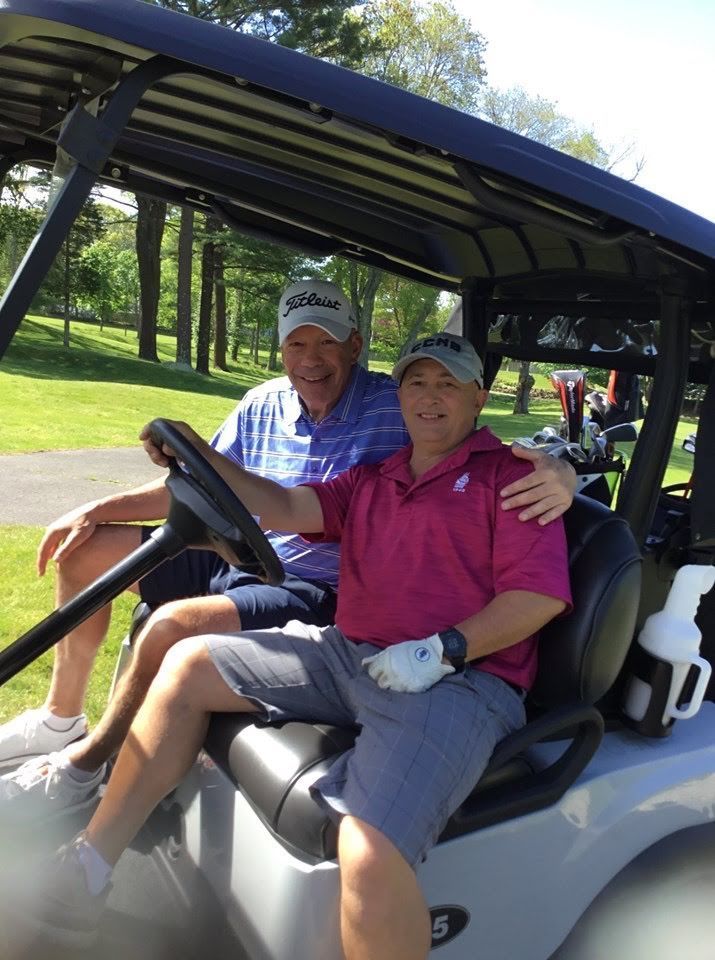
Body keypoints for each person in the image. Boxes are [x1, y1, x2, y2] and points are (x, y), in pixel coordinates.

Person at [13, 333, 572, 958]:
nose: (430, 397)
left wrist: (438, 650)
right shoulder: (373, 478)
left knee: (367, 846)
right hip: (349, 654)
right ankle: (87, 868)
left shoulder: (515, 479)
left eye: (448, 383)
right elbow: (280, 504)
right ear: (401, 393)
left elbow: (538, 598)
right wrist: (196, 451)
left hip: (459, 678)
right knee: (189, 661)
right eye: (417, 382)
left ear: (479, 396)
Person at [0, 280, 576, 817]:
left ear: (355, 345)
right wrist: (95, 508)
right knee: (90, 550)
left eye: (327, 342)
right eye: (297, 342)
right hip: (240, 552)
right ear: (281, 350)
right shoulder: (262, 403)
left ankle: (84, 771)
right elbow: (205, 476)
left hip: (312, 585)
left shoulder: (396, 404)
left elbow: (469, 439)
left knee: (172, 627)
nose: (312, 358)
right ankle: (60, 719)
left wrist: (560, 469)